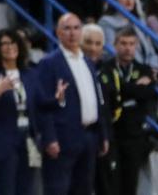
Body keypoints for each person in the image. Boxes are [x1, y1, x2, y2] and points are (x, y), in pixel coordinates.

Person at [35, 13, 109, 195]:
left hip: (89, 135)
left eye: (76, 28)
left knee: (84, 188)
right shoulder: (49, 63)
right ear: (58, 33)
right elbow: (42, 104)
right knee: (58, 188)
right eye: (67, 28)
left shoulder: (88, 62)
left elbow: (96, 100)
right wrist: (49, 138)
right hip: (62, 137)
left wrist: (102, 133)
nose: (72, 33)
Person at [0, 29, 40, 195]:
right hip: (4, 141)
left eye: (13, 42)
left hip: (28, 138)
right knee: (6, 190)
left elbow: (40, 103)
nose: (9, 47)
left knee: (27, 189)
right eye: (4, 44)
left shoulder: (30, 74)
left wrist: (58, 98)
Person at [100, 27, 157, 195]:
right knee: (112, 184)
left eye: (132, 44)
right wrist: (133, 88)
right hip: (113, 133)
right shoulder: (106, 68)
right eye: (123, 43)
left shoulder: (144, 69)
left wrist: (121, 90)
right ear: (115, 45)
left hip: (134, 134)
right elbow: (109, 92)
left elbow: (147, 93)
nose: (127, 48)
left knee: (131, 184)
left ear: (137, 46)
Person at [98, 0, 158, 71]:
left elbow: (151, 52)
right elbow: (111, 53)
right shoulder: (106, 22)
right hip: (126, 71)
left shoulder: (139, 22)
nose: (129, 0)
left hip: (149, 70)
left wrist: (154, 68)